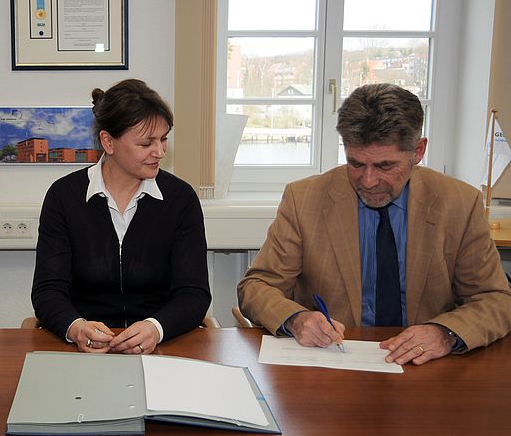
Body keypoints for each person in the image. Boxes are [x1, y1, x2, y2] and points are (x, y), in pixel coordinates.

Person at [237, 83, 511, 365]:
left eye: (385, 166)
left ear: (418, 151)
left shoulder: (459, 203)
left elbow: (496, 299)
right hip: (334, 363)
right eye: (355, 164)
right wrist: (296, 320)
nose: (368, 181)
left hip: (425, 367)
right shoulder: (304, 199)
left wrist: (445, 334)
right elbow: (257, 286)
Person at [31, 79, 211, 354]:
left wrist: (156, 327)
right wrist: (75, 327)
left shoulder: (180, 199)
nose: (160, 152)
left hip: (161, 347)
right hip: (85, 351)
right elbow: (47, 291)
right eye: (146, 143)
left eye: (163, 140)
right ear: (108, 142)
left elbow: (194, 293)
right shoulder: (64, 197)